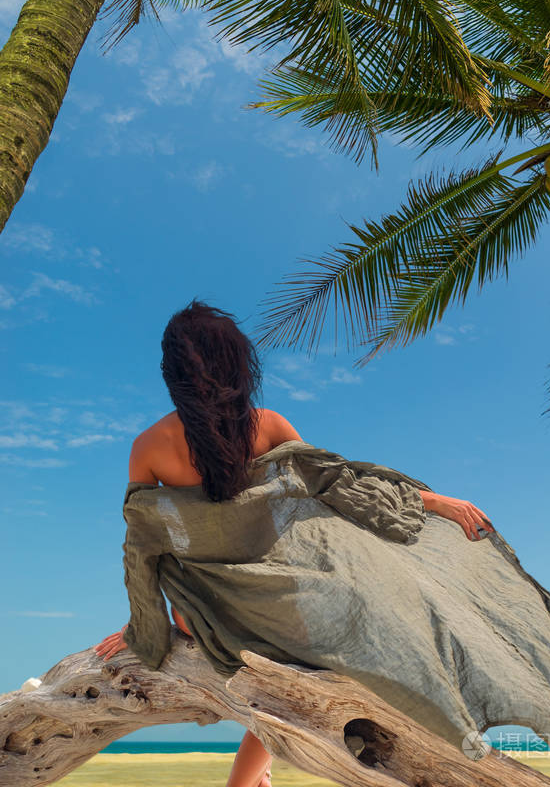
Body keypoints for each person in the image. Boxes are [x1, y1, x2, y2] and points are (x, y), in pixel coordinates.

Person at [93, 299, 494, 787]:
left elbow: (141, 548)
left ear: (173, 373)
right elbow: (341, 485)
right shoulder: (267, 425)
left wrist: (143, 627)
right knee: (330, 642)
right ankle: (247, 779)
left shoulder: (149, 445)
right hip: (283, 606)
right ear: (236, 365)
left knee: (286, 673)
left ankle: (252, 777)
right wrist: (434, 502)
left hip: (202, 615)